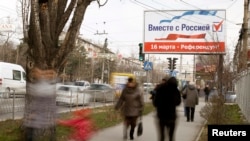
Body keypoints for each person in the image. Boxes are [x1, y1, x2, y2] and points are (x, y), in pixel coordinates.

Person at [153, 76, 181, 141]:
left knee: (162, 136)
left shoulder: (160, 89)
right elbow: (178, 102)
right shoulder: (176, 90)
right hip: (171, 117)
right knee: (171, 136)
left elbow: (155, 103)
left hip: (161, 116)